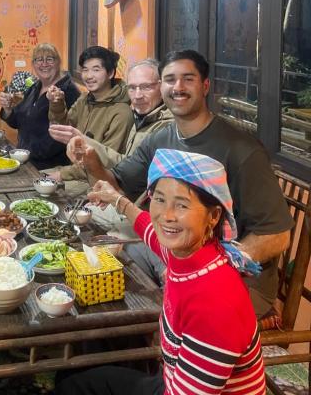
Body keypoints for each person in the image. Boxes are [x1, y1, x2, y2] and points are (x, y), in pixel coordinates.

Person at [70, 49, 293, 316]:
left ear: (205, 86)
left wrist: (210, 268)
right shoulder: (161, 139)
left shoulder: (241, 150)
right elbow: (117, 183)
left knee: (135, 310)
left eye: (188, 79)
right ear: (162, 86)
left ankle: (146, 350)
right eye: (170, 79)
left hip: (238, 280)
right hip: (173, 254)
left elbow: (277, 235)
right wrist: (92, 159)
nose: (178, 87)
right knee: (106, 267)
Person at [57, 149, 266, 395]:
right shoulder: (190, 254)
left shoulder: (216, 303)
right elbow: (149, 228)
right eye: (159, 199)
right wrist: (117, 200)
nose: (166, 216)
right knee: (74, 376)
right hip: (173, 380)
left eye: (182, 205)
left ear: (213, 216)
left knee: (78, 384)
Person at [49, 58, 171, 191]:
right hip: (104, 182)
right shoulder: (85, 99)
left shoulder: (164, 125)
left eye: (146, 87)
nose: (137, 95)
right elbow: (62, 127)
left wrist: (83, 143)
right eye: (131, 88)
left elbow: (127, 171)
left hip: (119, 192)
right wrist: (56, 103)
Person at [0, 43, 81, 169]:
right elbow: (19, 121)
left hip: (51, 167)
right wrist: (8, 109)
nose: (44, 64)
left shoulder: (68, 91)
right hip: (26, 160)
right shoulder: (35, 87)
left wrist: (30, 153)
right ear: (33, 64)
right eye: (39, 60)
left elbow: (64, 134)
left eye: (49, 59)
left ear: (58, 62)